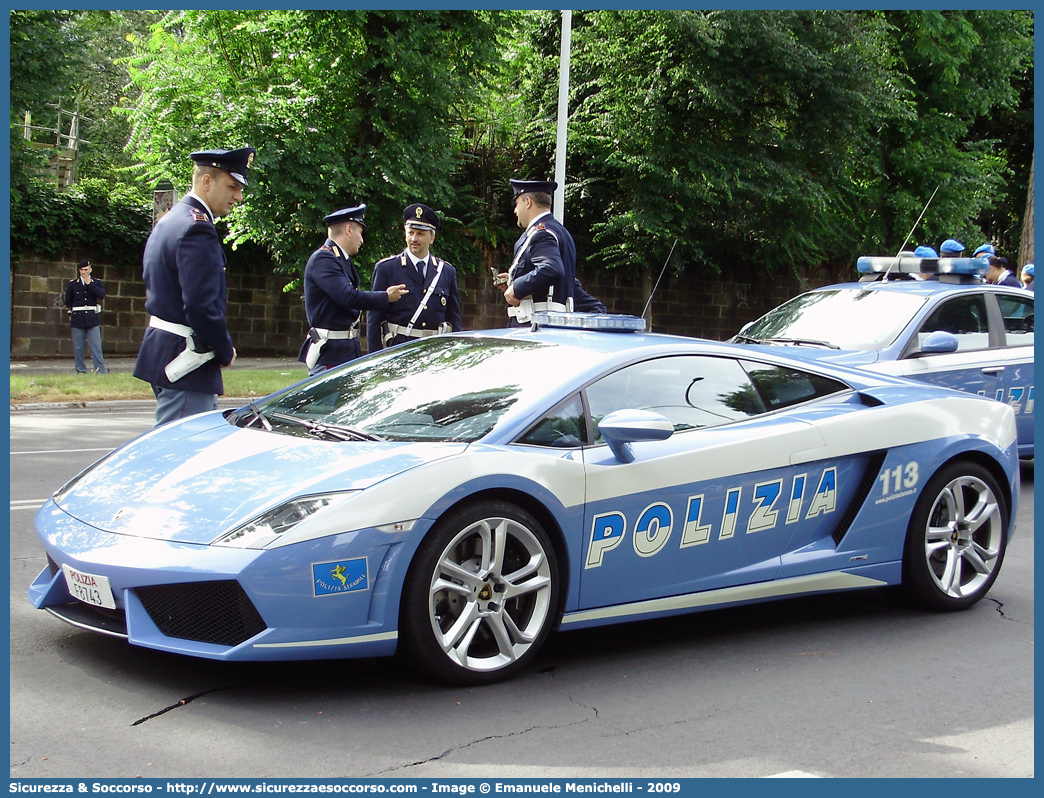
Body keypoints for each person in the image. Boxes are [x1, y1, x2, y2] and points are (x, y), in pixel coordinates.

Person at [133, 146, 253, 427]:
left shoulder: (172, 220)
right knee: (181, 456)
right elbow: (201, 305)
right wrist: (224, 350)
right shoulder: (197, 228)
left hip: (166, 351)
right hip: (187, 359)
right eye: (232, 186)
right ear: (207, 182)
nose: (238, 196)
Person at [299, 204, 407, 374]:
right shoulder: (324, 259)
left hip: (344, 352)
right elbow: (348, 297)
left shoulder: (340, 259)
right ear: (349, 230)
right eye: (360, 233)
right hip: (331, 354)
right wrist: (385, 297)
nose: (362, 240)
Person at [367, 203, 462, 351]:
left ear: (432, 238)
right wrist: (373, 360)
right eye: (410, 233)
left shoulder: (446, 272)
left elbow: (454, 320)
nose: (414, 239)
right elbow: (374, 321)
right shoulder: (387, 268)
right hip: (398, 350)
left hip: (434, 351)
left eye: (420, 234)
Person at [494, 179, 576, 325]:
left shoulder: (541, 233)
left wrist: (517, 287)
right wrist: (513, 280)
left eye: (517, 203)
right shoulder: (560, 232)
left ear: (528, 202)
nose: (515, 210)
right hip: (550, 325)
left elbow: (552, 269)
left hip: (534, 326)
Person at [64, 258, 107, 374]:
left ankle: (100, 371)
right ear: (79, 271)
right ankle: (80, 370)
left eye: (86, 270)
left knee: (96, 346)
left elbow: (101, 295)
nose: (84, 272)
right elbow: (68, 300)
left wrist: (89, 284)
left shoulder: (96, 283)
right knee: (78, 347)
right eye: (82, 270)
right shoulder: (73, 284)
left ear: (90, 270)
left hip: (92, 318)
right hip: (78, 318)